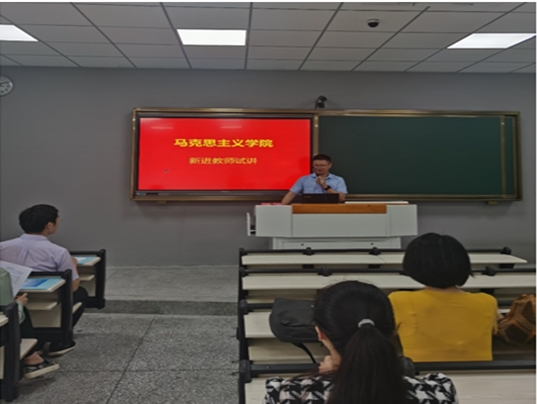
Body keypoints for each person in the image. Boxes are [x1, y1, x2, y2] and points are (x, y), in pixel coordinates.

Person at [263, 281, 458, 404]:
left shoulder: (286, 395)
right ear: (390, 330)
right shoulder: (439, 393)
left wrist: (331, 375)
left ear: (320, 333)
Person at [389, 233, 498, 362]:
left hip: (424, 374)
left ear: (413, 266)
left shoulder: (400, 300)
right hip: (480, 373)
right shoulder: (488, 302)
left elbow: (384, 334)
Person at [0, 204, 88, 356]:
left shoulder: (2, 247)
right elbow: (72, 286)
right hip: (47, 299)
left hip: (9, 300)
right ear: (49, 225)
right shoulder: (58, 252)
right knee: (81, 293)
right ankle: (59, 341)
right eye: (58, 219)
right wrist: (73, 264)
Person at [0, 268, 59, 378]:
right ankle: (32, 358)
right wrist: (19, 304)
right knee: (17, 310)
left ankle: (32, 357)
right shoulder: (1, 274)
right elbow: (13, 319)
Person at [281, 154, 347, 205]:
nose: (319, 168)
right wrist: (281, 207)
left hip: (331, 210)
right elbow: (291, 194)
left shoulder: (338, 180)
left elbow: (341, 198)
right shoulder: (303, 179)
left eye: (322, 165)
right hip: (308, 210)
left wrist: (326, 187)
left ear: (329, 165)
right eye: (316, 165)